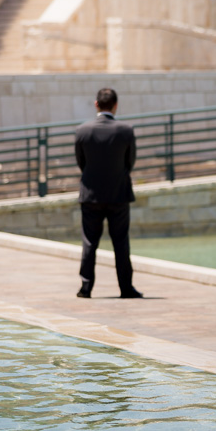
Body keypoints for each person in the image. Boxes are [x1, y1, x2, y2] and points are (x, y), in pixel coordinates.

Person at [74, 88, 143, 299]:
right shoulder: (126, 130)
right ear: (115, 105)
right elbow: (129, 162)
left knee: (89, 242)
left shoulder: (82, 130)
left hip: (91, 196)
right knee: (121, 242)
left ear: (96, 104)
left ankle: (86, 287)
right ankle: (126, 287)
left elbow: (81, 163)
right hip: (118, 194)